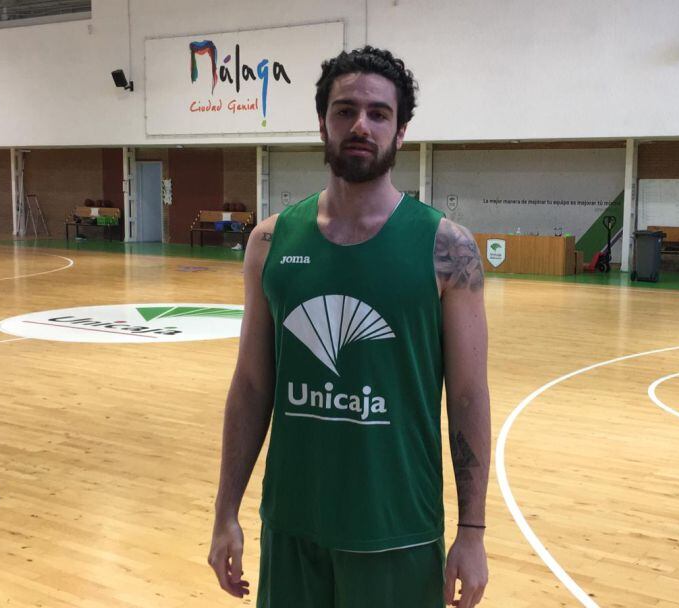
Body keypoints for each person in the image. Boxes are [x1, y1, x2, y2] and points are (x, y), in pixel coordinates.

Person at [207, 46, 491, 608]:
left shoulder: (446, 247)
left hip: (398, 529)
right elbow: (250, 385)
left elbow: (466, 395)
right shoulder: (269, 242)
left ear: (401, 131)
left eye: (378, 113)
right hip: (293, 523)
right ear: (322, 123)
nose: (361, 124)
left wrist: (473, 532)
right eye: (345, 110)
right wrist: (225, 512)